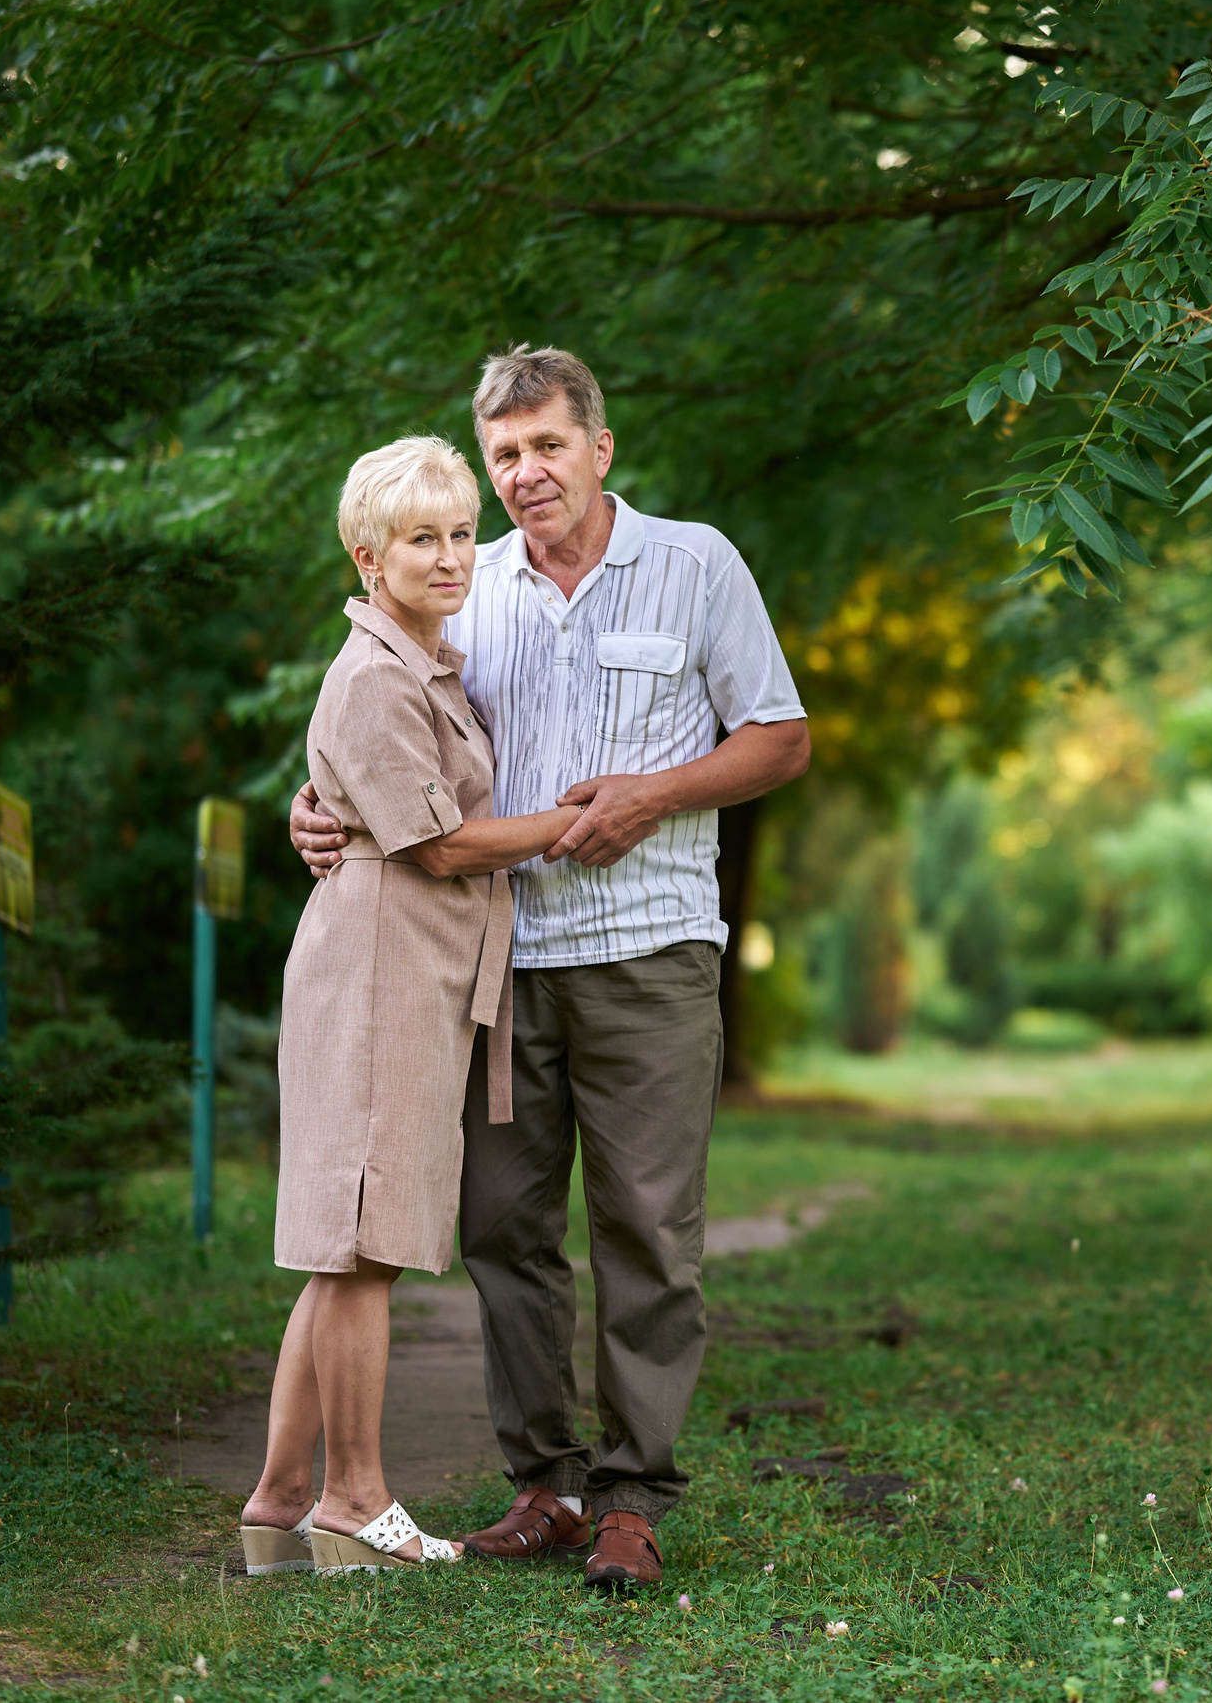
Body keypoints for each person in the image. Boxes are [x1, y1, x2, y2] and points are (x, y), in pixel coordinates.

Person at [291, 347, 811, 1592]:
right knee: (504, 1232)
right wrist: (314, 809)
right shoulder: (462, 587)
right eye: (506, 454)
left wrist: (655, 795)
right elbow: (381, 729)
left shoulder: (696, 564)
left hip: (651, 954)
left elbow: (781, 738)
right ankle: (547, 1485)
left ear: (599, 448)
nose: (526, 472)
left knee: (648, 1232)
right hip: (496, 963)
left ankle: (632, 1496)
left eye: (547, 445)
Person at [239, 436, 585, 1576]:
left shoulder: (426, 663)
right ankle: (353, 1497)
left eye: (460, 534)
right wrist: (580, 819)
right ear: (367, 556)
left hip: (409, 972)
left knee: (349, 1252)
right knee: (363, 1243)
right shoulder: (378, 677)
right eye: (421, 539)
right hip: (379, 975)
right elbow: (437, 845)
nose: (449, 557)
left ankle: (279, 1499)